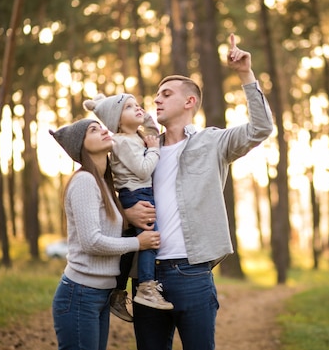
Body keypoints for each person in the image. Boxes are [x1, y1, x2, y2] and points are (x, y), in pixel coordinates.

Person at [123, 34, 274, 350]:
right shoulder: (140, 149)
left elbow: (261, 129)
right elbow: (114, 193)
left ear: (189, 102)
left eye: (166, 94)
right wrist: (126, 212)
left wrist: (245, 74)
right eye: (156, 95)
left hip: (191, 273)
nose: (157, 100)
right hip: (146, 277)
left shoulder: (213, 142)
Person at [49, 118, 161, 350]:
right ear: (81, 144)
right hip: (80, 294)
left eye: (101, 126)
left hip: (99, 294)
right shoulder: (85, 181)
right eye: (93, 129)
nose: (103, 130)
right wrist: (137, 243)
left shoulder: (104, 184)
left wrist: (129, 217)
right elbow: (91, 242)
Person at [83, 93, 174, 322]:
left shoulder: (133, 137)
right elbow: (143, 169)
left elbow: (152, 131)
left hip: (132, 195)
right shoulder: (122, 141)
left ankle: (118, 291)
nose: (138, 109)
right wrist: (154, 150)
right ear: (118, 121)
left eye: (137, 105)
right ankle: (146, 286)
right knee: (149, 241)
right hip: (138, 194)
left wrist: (146, 120)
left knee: (131, 248)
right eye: (129, 107)